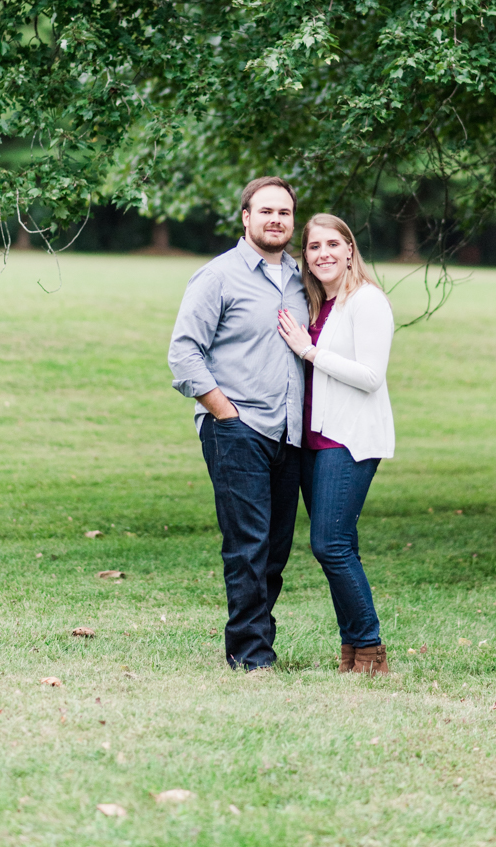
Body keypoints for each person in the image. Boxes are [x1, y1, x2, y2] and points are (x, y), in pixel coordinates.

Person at [168, 177, 309, 672]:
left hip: (290, 433)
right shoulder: (218, 277)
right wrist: (225, 413)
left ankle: (255, 642)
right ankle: (251, 656)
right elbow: (183, 353)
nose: (276, 220)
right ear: (245, 217)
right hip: (238, 429)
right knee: (247, 544)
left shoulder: (300, 278)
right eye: (266, 211)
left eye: (285, 213)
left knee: (274, 548)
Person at [277, 214, 394, 676]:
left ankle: (370, 648)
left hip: (347, 439)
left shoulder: (367, 301)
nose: (322, 253)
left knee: (329, 545)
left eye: (332, 244)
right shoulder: (316, 304)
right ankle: (354, 655)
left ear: (349, 250)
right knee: (341, 543)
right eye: (312, 246)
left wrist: (309, 351)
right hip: (310, 440)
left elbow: (370, 376)